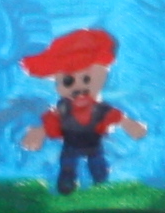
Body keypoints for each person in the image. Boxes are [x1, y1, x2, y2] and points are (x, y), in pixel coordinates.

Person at [22, 29, 144, 193]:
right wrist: (39, 132)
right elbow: (51, 120)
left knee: (98, 168)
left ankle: (100, 180)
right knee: (67, 166)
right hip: (70, 145)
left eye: (87, 79)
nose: (79, 88)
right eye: (68, 81)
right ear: (57, 83)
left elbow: (115, 116)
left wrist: (129, 124)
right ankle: (67, 181)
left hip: (94, 145)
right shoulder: (63, 108)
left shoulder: (99, 108)